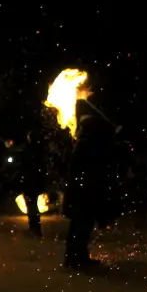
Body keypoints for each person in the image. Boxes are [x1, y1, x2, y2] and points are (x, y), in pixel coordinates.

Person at [62, 115, 113, 269]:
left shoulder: (87, 143)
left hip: (82, 191)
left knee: (82, 226)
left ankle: (79, 257)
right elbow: (89, 169)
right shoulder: (87, 145)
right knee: (80, 227)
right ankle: (74, 259)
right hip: (83, 192)